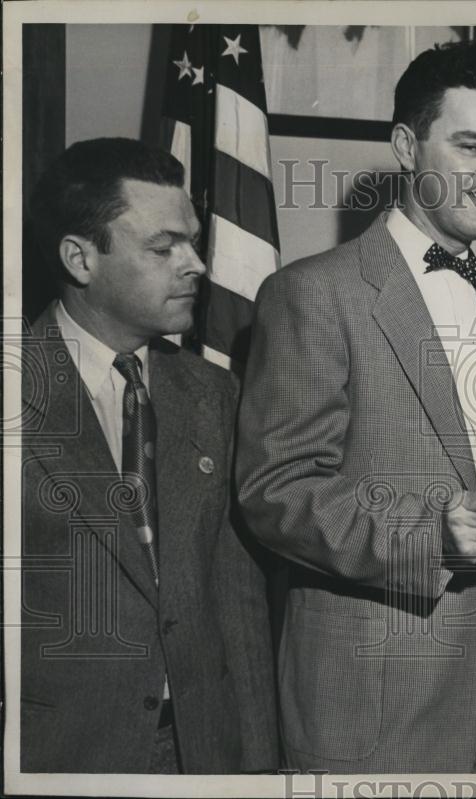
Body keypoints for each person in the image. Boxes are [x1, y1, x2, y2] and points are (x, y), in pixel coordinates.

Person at [236, 41, 476, 773]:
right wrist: (430, 532)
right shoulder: (313, 293)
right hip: (370, 713)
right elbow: (273, 491)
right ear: (406, 145)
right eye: (471, 146)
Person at [19, 137, 278, 774]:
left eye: (192, 242)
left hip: (201, 753)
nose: (196, 266)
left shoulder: (213, 394)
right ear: (80, 259)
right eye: (163, 248)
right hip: (57, 759)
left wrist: (259, 770)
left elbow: (237, 602)